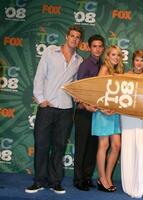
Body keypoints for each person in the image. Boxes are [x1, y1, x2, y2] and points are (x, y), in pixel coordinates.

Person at [25, 25, 84, 194]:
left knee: (59, 146)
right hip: (47, 107)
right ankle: (39, 181)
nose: (74, 39)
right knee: (42, 145)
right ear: (67, 36)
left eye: (77, 37)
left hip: (66, 109)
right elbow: (39, 75)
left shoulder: (78, 61)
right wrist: (41, 99)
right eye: (72, 35)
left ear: (80, 41)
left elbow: (74, 86)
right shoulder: (51, 51)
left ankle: (55, 181)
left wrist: (78, 98)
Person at [73, 34, 105, 191]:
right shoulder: (85, 65)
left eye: (100, 46)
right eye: (94, 46)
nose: (97, 49)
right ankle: (78, 179)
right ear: (89, 47)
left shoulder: (103, 66)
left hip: (96, 113)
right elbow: (79, 90)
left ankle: (87, 177)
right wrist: (86, 106)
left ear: (103, 48)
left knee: (92, 147)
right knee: (82, 147)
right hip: (84, 112)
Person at [92, 45, 124, 193]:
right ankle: (102, 178)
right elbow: (96, 89)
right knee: (104, 145)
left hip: (114, 113)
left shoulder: (119, 71)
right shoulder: (104, 69)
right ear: (108, 56)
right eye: (113, 55)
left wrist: (115, 108)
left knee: (116, 145)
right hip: (103, 112)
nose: (116, 58)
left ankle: (108, 177)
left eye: (118, 55)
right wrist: (102, 107)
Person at [121, 50, 143, 198]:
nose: (139, 63)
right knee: (127, 148)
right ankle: (128, 185)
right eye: (137, 60)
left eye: (142, 61)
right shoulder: (125, 76)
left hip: (141, 117)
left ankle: (138, 185)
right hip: (126, 116)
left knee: (140, 148)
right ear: (133, 61)